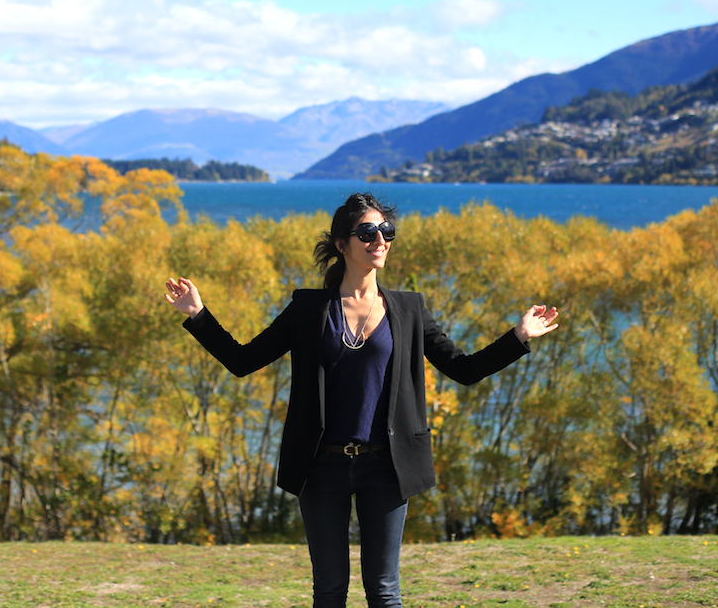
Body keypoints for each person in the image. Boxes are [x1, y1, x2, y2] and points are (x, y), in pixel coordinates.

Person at [164, 192, 559, 607]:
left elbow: (463, 369)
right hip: (321, 466)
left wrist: (518, 338)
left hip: (386, 465)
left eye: (386, 232)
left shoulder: (407, 308)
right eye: (368, 232)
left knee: (384, 590)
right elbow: (243, 360)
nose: (380, 240)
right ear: (342, 244)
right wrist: (199, 315)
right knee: (330, 592)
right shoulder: (308, 309)